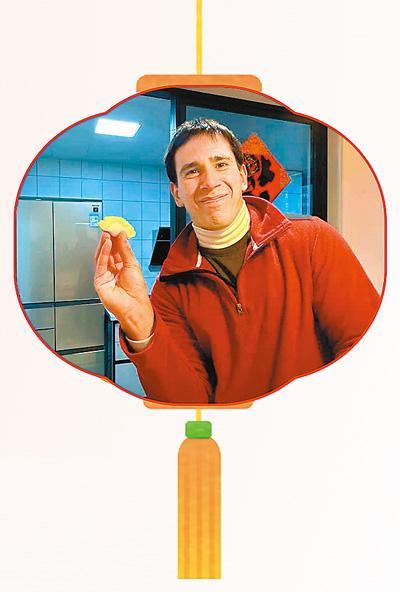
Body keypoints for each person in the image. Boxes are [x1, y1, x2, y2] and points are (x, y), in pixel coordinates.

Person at [94, 119, 380, 404]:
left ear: (242, 176)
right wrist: (138, 322)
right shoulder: (169, 291)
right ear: (177, 193)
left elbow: (366, 351)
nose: (210, 182)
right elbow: (189, 402)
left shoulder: (313, 240)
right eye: (192, 171)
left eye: (220, 164)